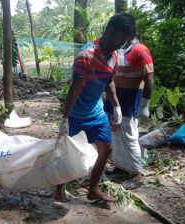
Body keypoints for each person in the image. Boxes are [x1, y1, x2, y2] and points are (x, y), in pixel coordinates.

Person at [55, 13, 138, 202]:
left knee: (106, 148)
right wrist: (65, 118)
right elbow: (74, 90)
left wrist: (116, 106)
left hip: (97, 113)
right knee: (66, 153)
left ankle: (93, 189)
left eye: (127, 42)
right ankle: (59, 188)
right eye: (122, 39)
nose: (123, 45)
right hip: (76, 115)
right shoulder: (87, 55)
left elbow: (109, 81)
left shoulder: (114, 55)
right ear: (111, 31)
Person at [104, 22, 154, 190]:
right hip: (114, 100)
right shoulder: (119, 49)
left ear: (129, 34)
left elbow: (149, 79)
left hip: (129, 100)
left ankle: (137, 175)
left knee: (129, 137)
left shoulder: (140, 50)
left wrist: (145, 104)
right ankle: (120, 165)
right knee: (114, 135)